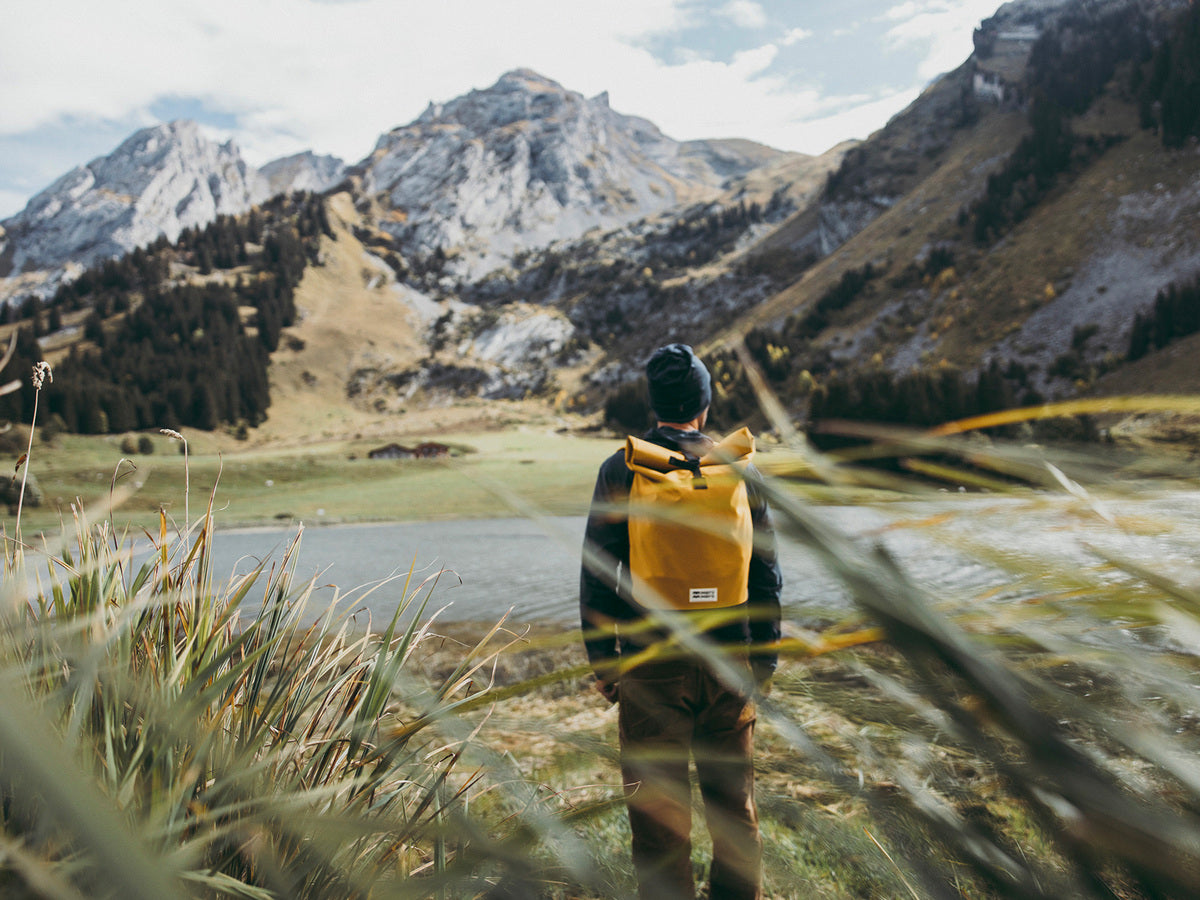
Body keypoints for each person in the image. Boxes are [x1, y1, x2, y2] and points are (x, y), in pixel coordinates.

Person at [579, 343, 783, 900]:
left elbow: (598, 574)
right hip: (729, 664)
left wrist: (606, 667)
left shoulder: (623, 467)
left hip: (652, 668)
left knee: (659, 827)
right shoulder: (738, 467)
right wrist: (762, 661)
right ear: (704, 403)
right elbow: (765, 572)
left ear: (656, 404)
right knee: (733, 813)